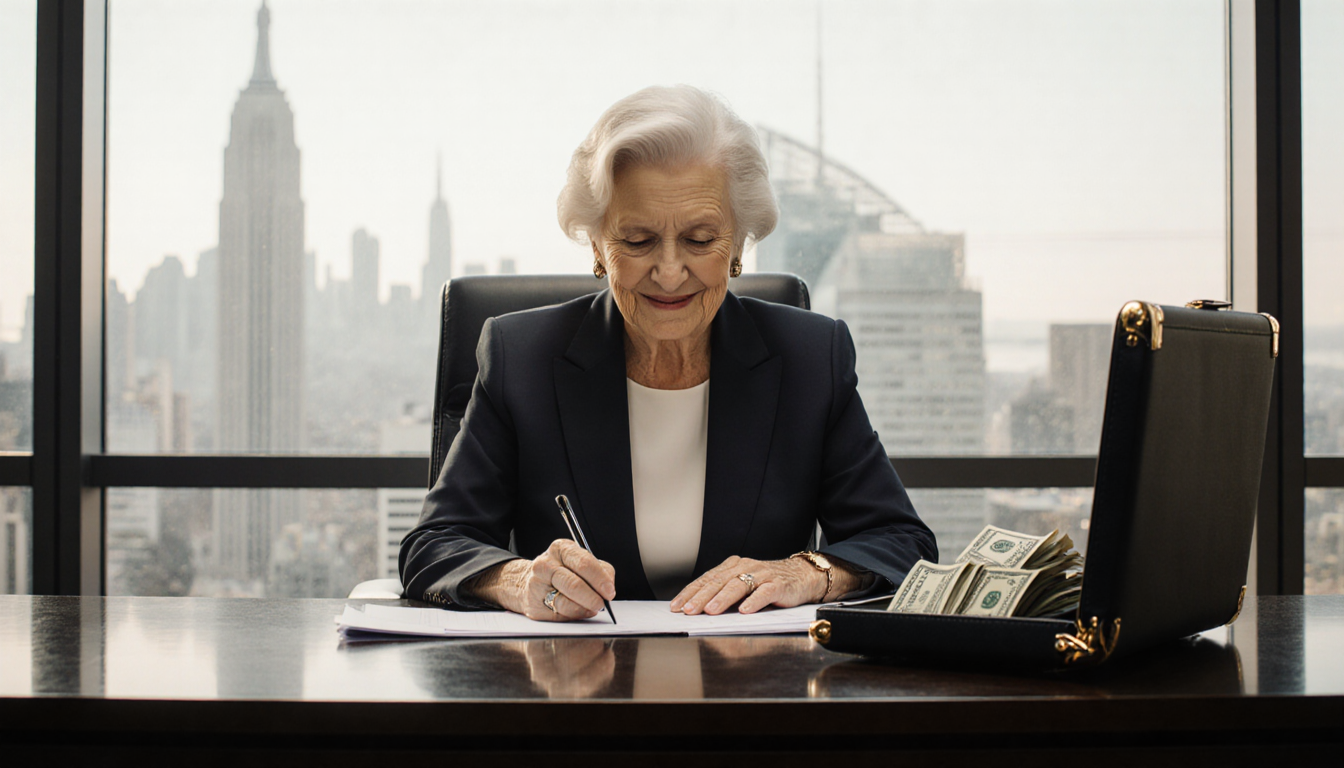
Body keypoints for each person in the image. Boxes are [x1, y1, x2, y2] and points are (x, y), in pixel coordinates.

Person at [399, 85, 936, 621]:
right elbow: (437, 544)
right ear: (596, 246)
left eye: (701, 239)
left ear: (739, 245)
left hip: (757, 685)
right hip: (575, 686)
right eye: (637, 241)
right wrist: (518, 580)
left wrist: (806, 573)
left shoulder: (811, 357)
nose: (671, 271)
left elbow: (899, 541)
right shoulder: (522, 357)